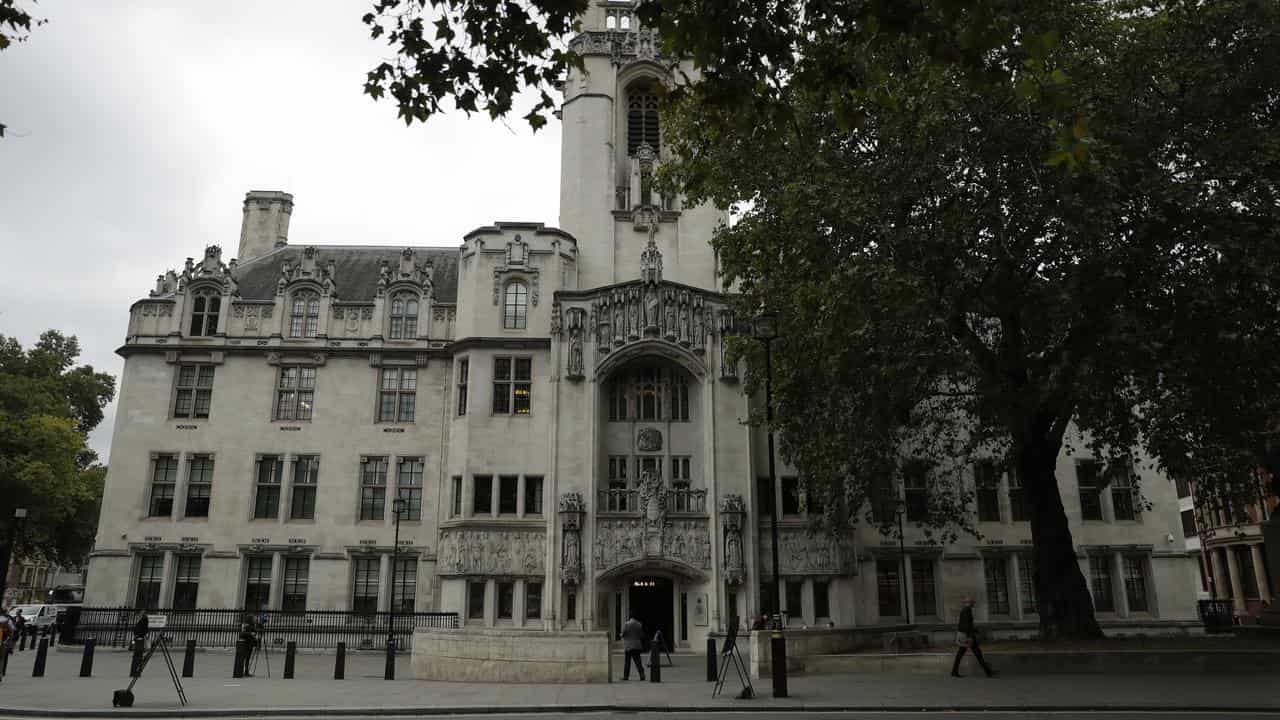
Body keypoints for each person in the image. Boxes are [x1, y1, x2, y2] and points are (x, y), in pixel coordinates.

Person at [951, 597, 996, 678]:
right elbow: (966, 625)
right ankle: (988, 672)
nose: (973, 604)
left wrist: (975, 630)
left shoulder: (965, 610)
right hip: (967, 636)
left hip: (964, 635)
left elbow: (965, 624)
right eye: (972, 602)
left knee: (961, 654)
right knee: (977, 653)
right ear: (969, 603)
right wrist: (970, 636)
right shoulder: (967, 610)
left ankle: (954, 671)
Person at [620, 614, 645, 681]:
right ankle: (642, 675)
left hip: (628, 646)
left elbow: (623, 634)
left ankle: (626, 676)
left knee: (627, 662)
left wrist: (621, 635)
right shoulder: (639, 624)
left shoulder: (627, 624)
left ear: (630, 617)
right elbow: (641, 635)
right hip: (637, 645)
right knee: (638, 661)